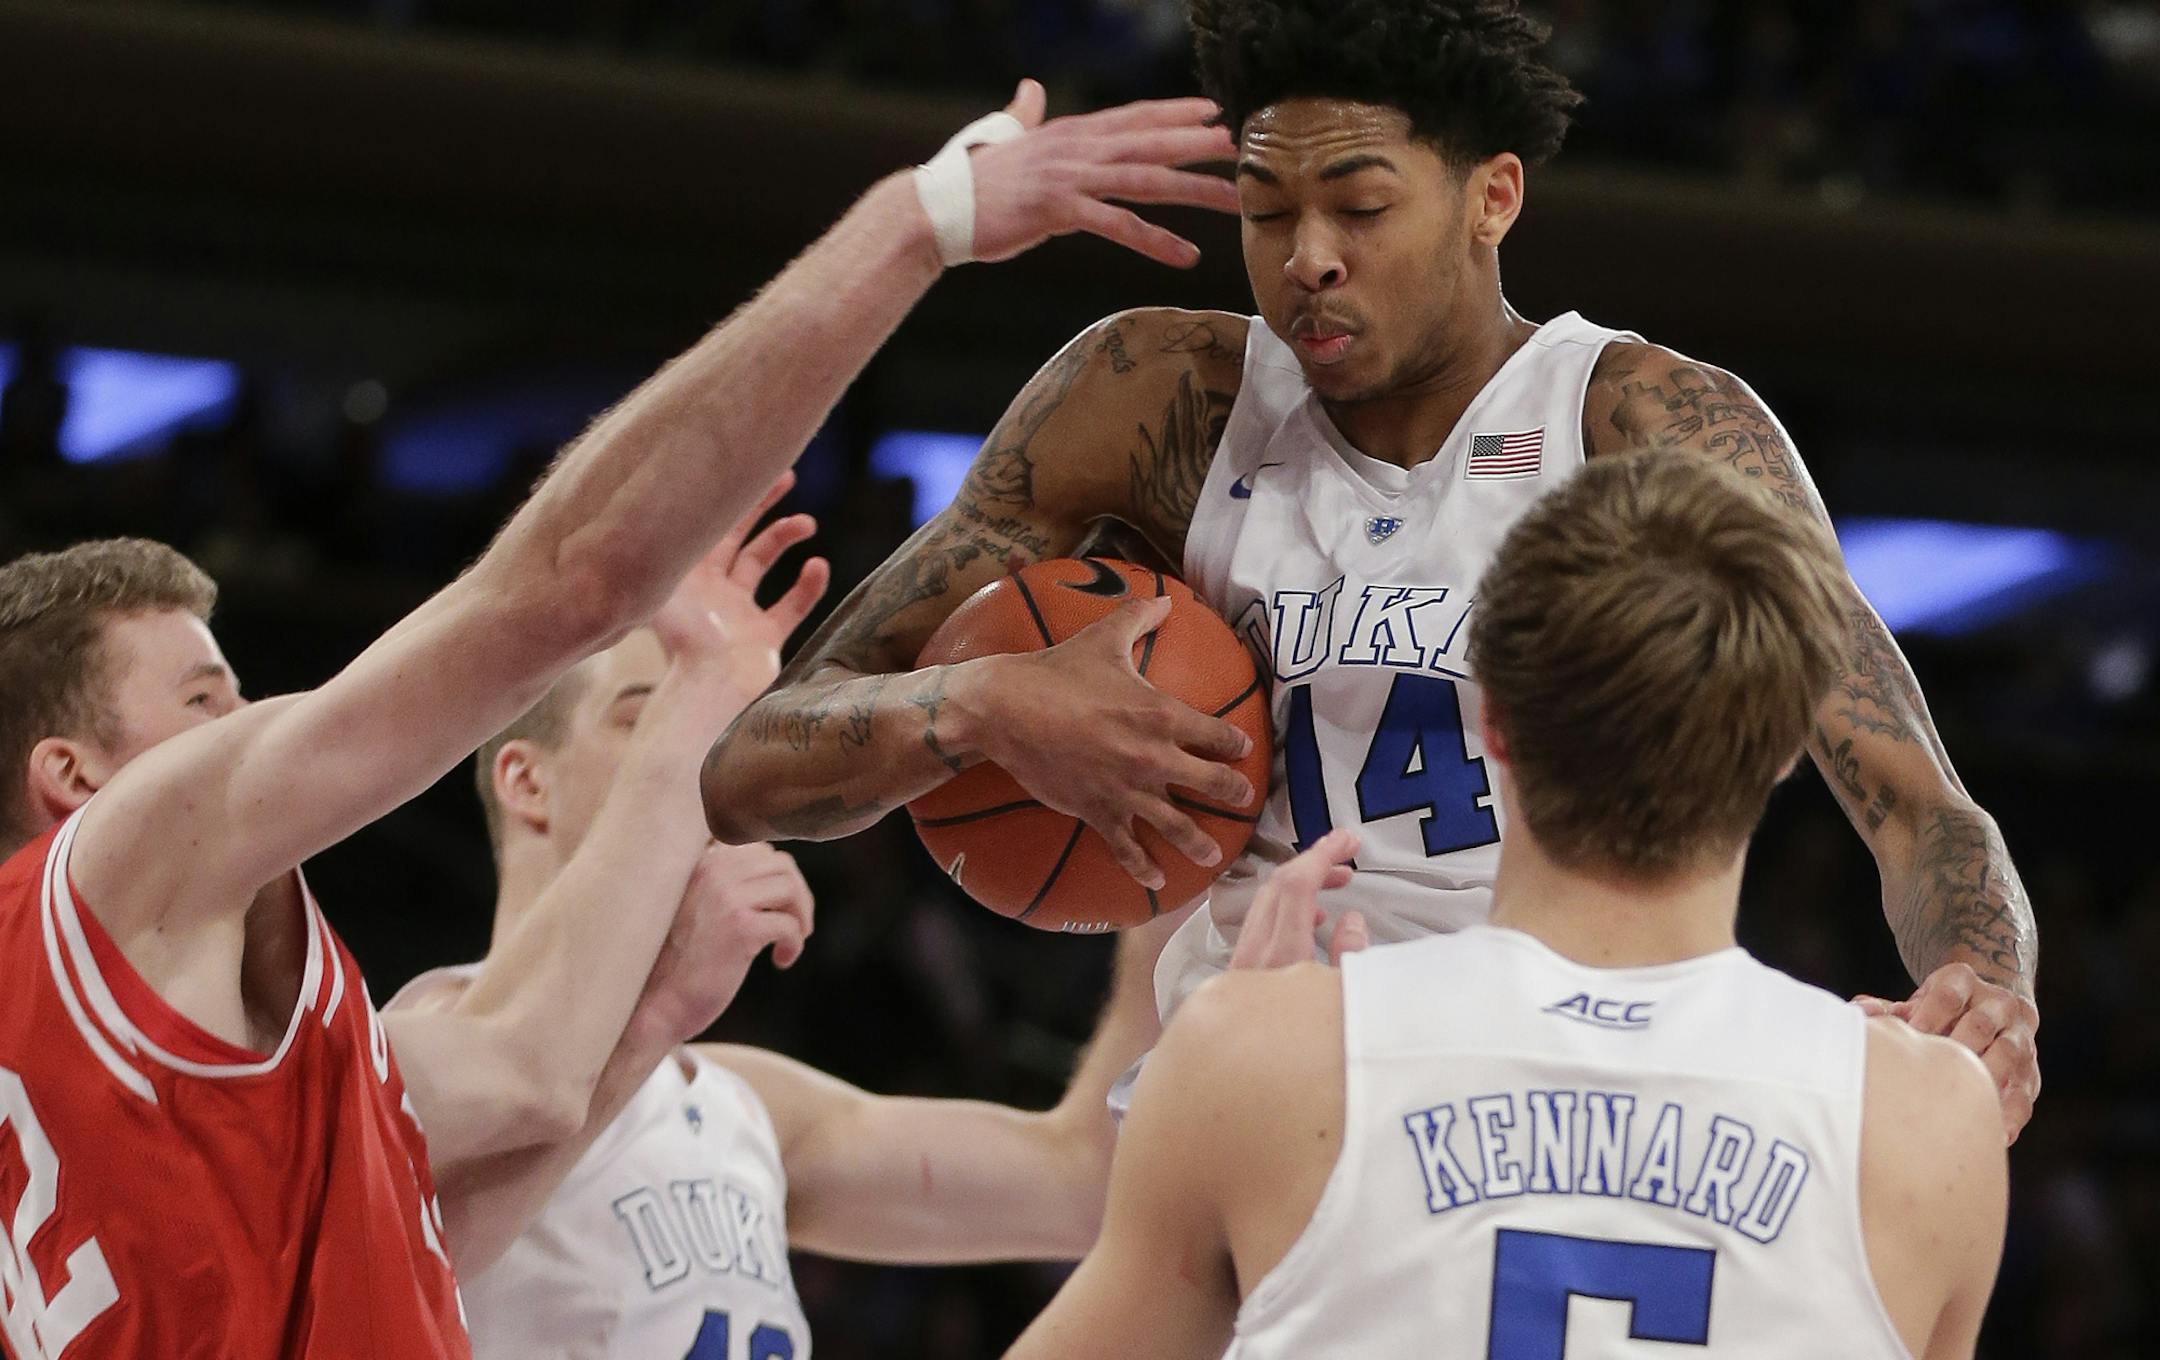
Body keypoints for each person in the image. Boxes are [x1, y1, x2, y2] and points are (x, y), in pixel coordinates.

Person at [0, 83, 1239, 1359]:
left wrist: (1184, 853)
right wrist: (916, 222)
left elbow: (501, 1128)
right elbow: (566, 587)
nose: (251, 718)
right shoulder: (193, 911)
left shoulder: (258, 1076)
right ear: (73, 779)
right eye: (207, 702)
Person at [702, 0, 2039, 1141]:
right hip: (1261, 1094)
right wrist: (982, 708)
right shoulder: (1154, 399)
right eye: (1266, 209)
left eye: (1358, 205)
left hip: (1553, 1097)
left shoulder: (1641, 424)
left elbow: (1917, 804)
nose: (1306, 259)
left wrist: (1985, 981)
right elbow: (753, 766)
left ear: (1492, 198)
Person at [1004, 451, 2009, 1360]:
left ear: (1488, 711)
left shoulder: (1257, 1055)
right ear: (1790, 745)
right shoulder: (1927, 1118)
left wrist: (1240, 1081)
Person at [390, 512, 1186, 1358]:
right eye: (646, 719)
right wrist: (653, 1012)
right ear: (526, 780)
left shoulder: (742, 1106)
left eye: (706, 721)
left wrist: (1170, 859)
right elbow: (386, 1265)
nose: (692, 757)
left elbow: (1084, 1187)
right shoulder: (430, 1036)